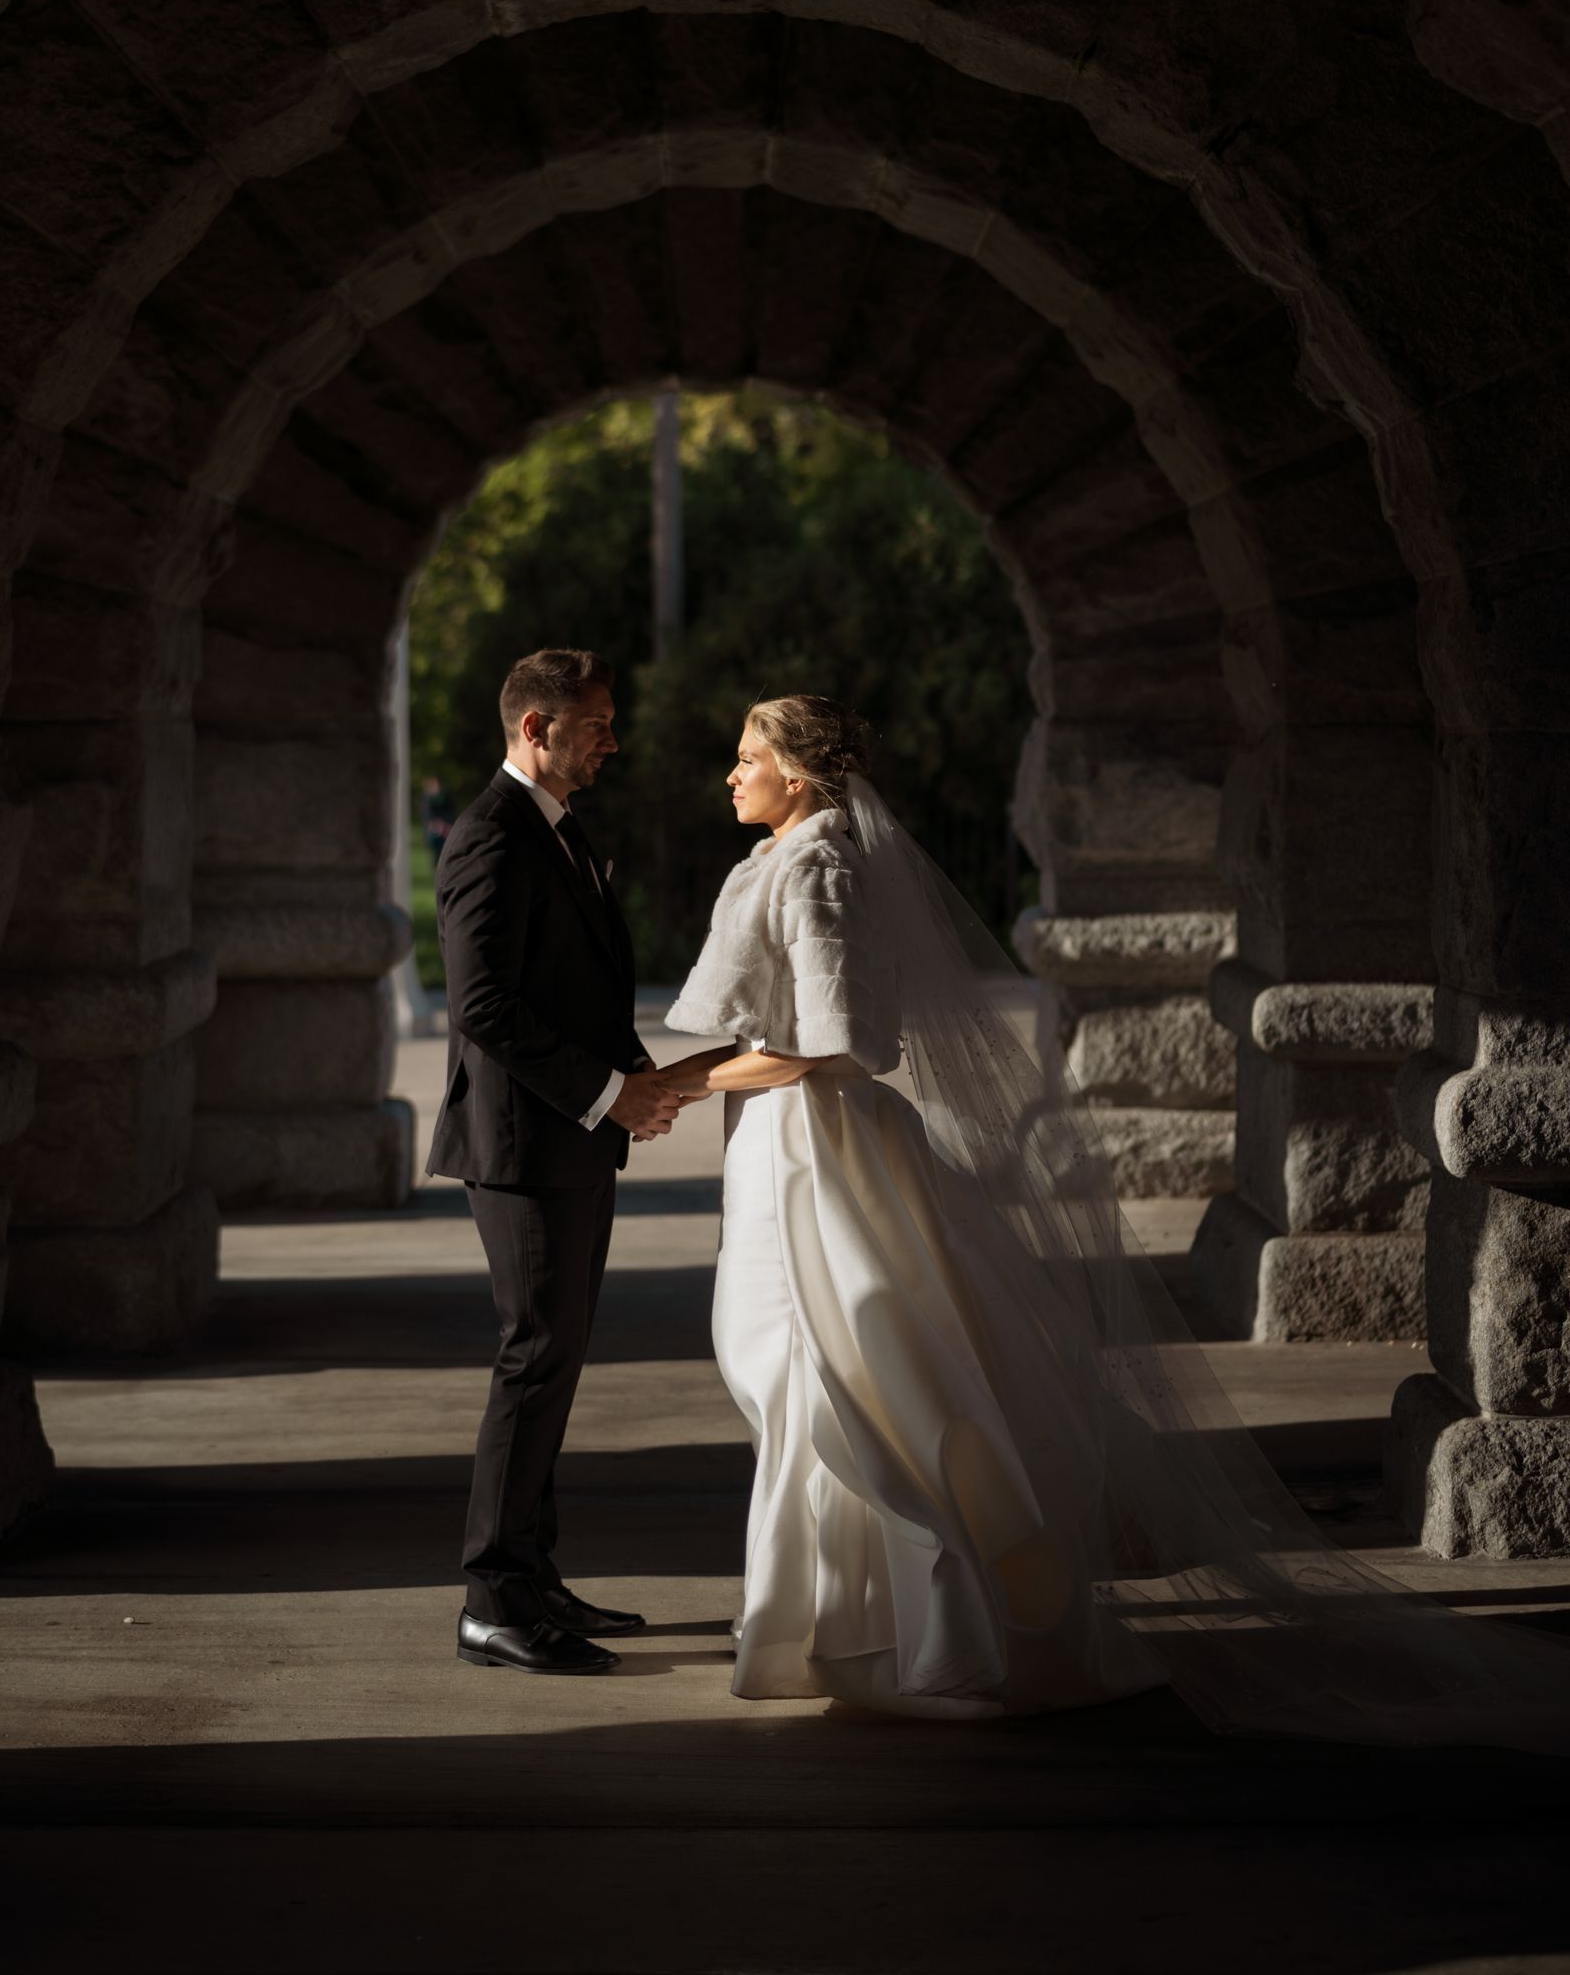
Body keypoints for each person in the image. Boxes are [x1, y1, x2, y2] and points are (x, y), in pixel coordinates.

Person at [652, 695, 1570, 1749]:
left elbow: (850, 1042)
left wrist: (681, 1084)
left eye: (746, 758)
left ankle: (925, 1629)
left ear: (799, 775)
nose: (731, 776)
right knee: (802, 1373)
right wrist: (688, 1080)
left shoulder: (817, 868)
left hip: (822, 1151)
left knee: (845, 1373)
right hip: (785, 1141)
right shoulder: (792, 860)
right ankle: (832, 1621)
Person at [427, 647, 685, 1677]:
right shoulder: (488, 836)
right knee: (533, 1358)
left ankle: (533, 1578)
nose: (612, 742)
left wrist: (635, 1077)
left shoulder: (560, 831)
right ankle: (491, 1600)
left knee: (558, 1359)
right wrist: (605, 1092)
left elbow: (575, 989)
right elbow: (482, 1008)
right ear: (536, 728)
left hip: (571, 1139)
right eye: (596, 725)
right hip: (524, 1146)